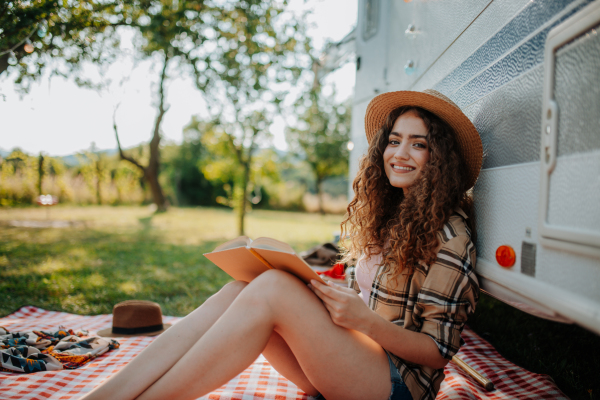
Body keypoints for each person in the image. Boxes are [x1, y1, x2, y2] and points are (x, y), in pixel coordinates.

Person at [81, 89, 482, 400]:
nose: (400, 153)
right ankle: (108, 395)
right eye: (394, 141)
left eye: (419, 144)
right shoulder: (391, 214)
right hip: (353, 362)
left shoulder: (450, 237)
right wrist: (325, 294)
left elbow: (438, 351)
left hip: (397, 386)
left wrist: (362, 321)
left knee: (273, 290)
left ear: (439, 158)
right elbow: (367, 303)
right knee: (244, 286)